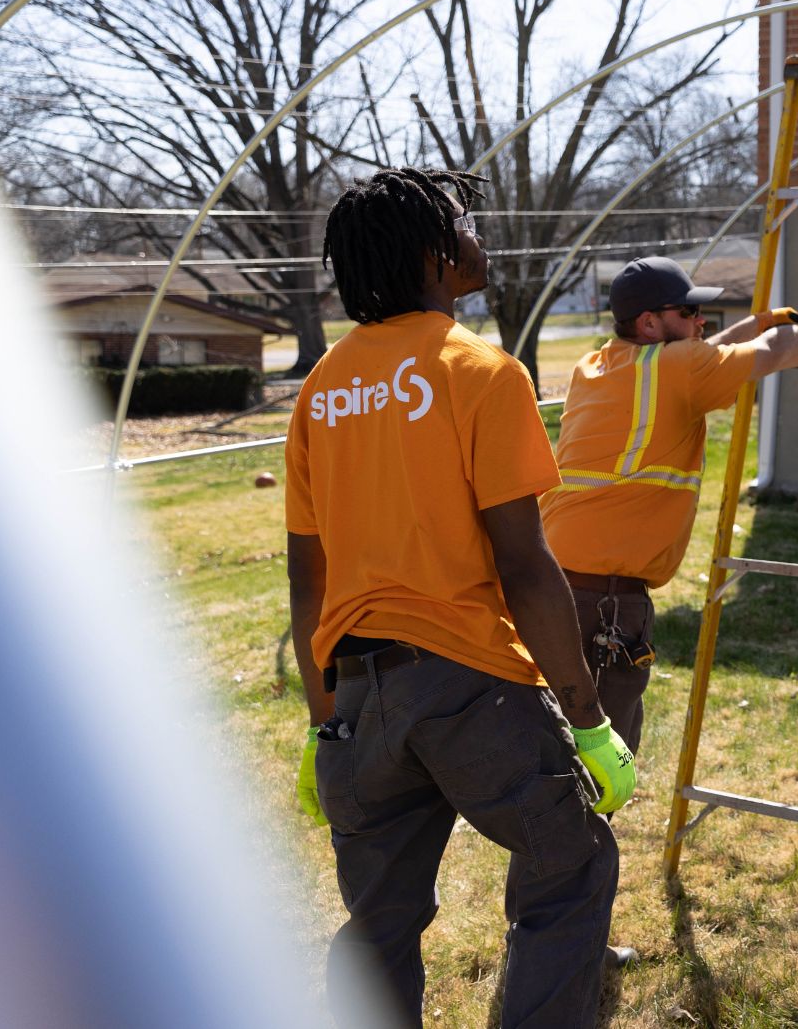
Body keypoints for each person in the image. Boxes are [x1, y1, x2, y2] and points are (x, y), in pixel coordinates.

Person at [287, 167, 637, 1028]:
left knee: (379, 921)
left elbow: (309, 577)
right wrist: (588, 719)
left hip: (360, 699)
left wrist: (319, 718)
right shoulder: (479, 370)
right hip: (469, 688)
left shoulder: (322, 385)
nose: (480, 234)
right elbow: (524, 564)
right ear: (437, 254)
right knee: (573, 864)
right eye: (465, 222)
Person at [538, 257, 798, 752]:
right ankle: (583, 831)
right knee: (597, 758)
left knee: (550, 739)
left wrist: (750, 324)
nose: (700, 324)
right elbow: (773, 350)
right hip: (605, 601)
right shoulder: (678, 368)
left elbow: (696, 355)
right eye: (689, 313)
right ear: (649, 322)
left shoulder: (598, 366)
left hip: (550, 586)